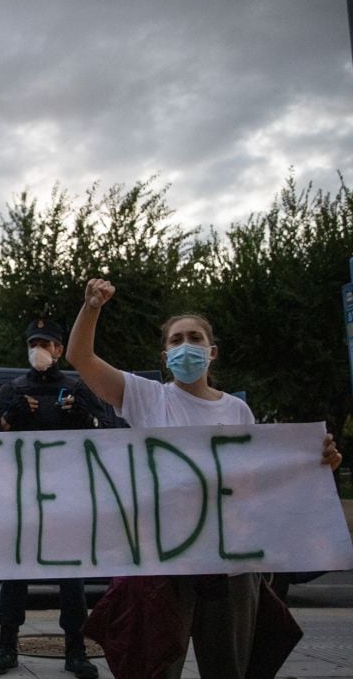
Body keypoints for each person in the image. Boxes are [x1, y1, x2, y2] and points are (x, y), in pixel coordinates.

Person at [65, 278, 342, 679]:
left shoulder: (238, 413)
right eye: (176, 340)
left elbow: (257, 484)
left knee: (229, 667)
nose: (185, 345)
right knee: (156, 666)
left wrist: (312, 466)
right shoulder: (146, 398)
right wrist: (91, 307)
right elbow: (79, 356)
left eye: (194, 338)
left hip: (231, 565)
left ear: (211, 352)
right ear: (165, 354)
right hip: (166, 565)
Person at [0, 318, 103, 679]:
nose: (39, 349)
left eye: (46, 343)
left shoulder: (78, 389)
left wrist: (85, 420)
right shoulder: (13, 390)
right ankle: (6, 646)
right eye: (34, 342)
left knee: (71, 578)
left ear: (60, 349)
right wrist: (8, 422)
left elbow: (112, 432)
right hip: (21, 501)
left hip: (67, 500)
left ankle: (76, 650)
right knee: (15, 573)